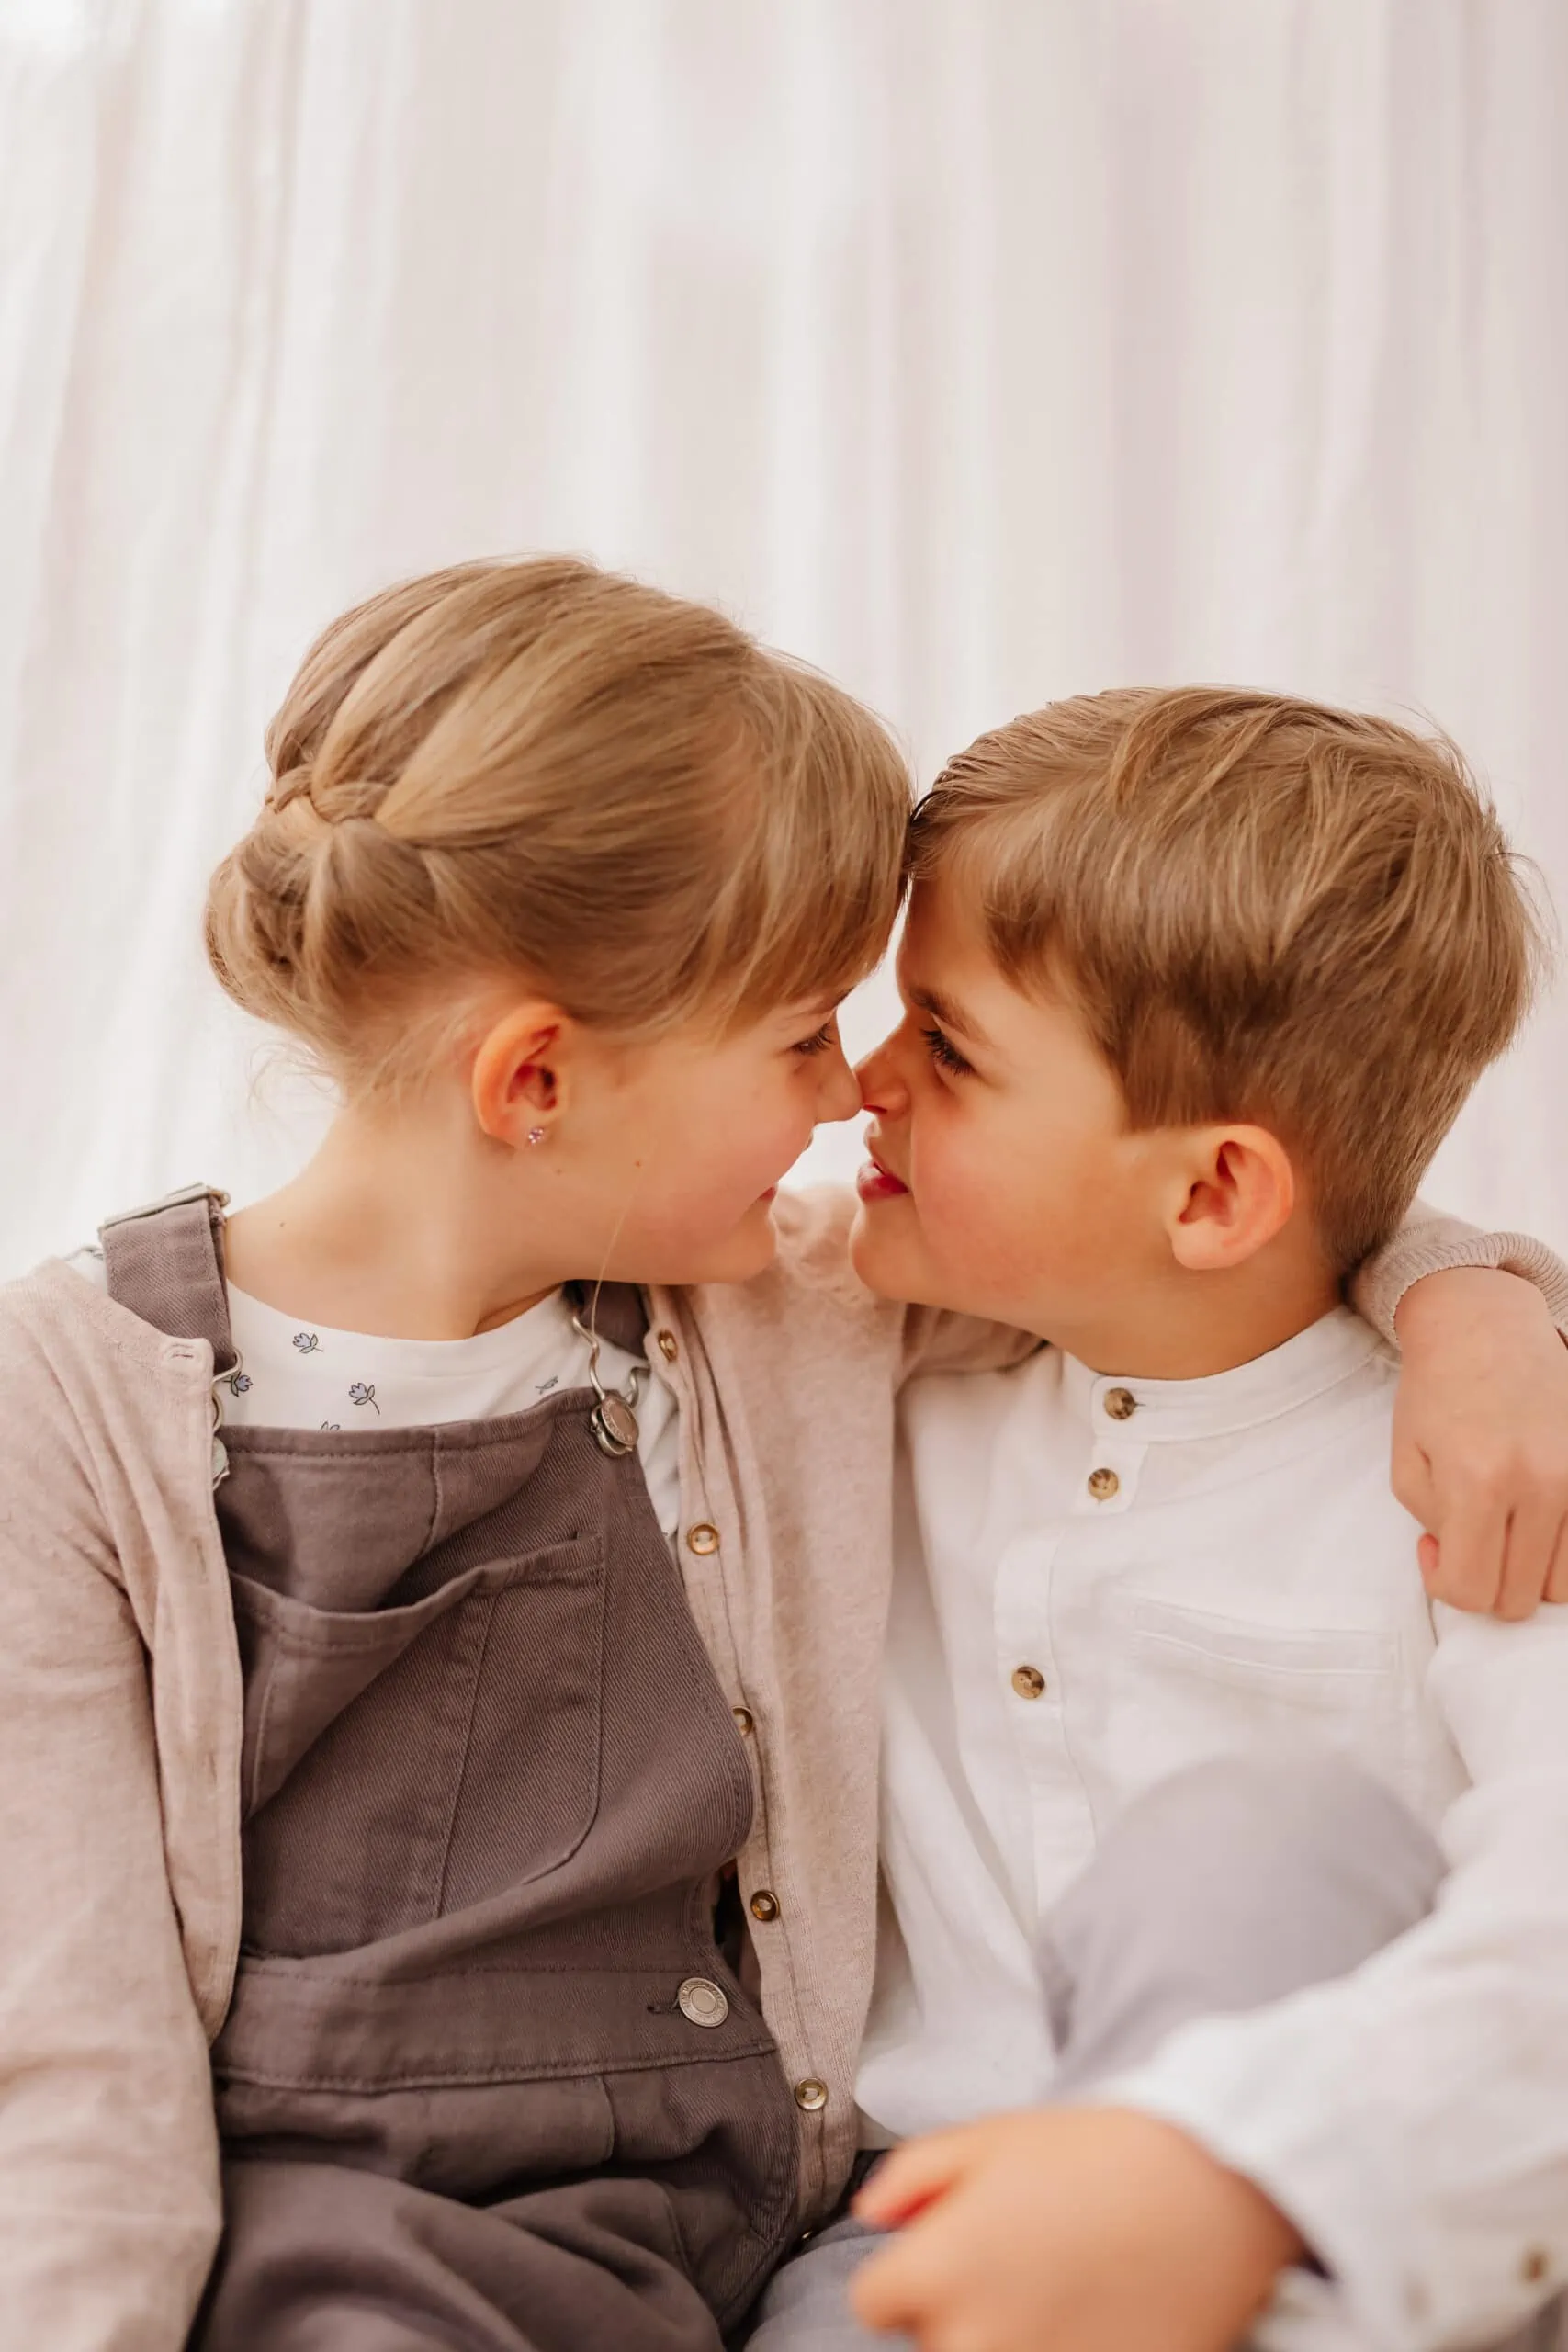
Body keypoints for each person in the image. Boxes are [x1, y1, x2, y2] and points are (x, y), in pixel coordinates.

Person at [0, 583, 1562, 2352]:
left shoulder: (801, 1318)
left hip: (977, 2239)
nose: (855, 1092)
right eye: (810, 1030)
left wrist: (1475, 1300)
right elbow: (72, 2064)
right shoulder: (88, 1407)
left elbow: (1222, 1237)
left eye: (916, 1040)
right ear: (535, 1082)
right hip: (527, 2269)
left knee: (1257, 1853)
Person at [743, 686, 1568, 2352]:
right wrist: (1467, 1284)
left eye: (950, 1050)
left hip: (1325, 2247)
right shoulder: (842, 1357)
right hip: (915, 2230)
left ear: (1208, 1195)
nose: (865, 1086)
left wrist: (1253, 2169)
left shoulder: (1466, 1478)